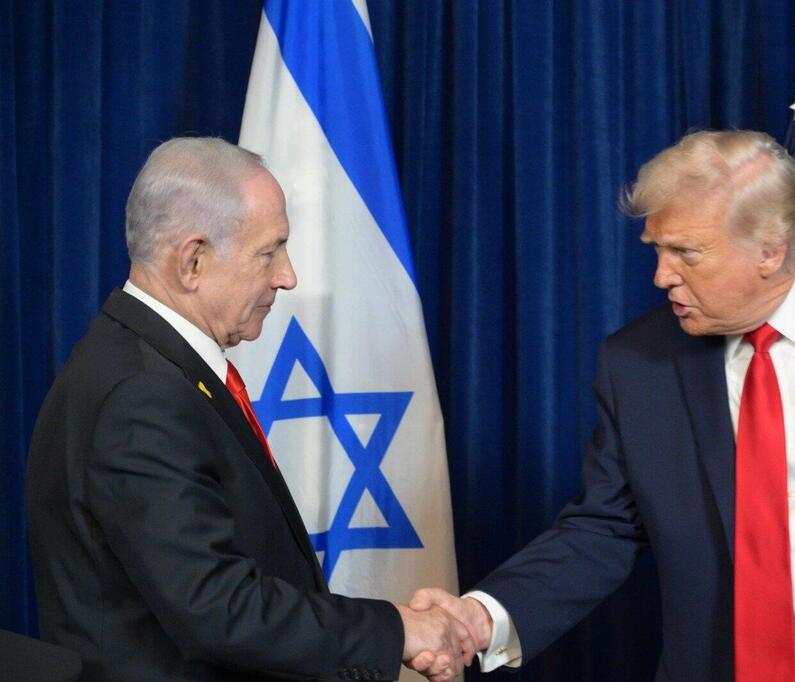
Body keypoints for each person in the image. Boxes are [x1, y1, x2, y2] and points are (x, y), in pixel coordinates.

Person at [410, 130, 795, 681]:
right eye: (656, 249)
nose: (661, 276)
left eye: (686, 252)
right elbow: (604, 527)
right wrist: (482, 618)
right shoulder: (637, 363)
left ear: (771, 250)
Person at [26, 137, 472, 681]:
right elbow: (219, 609)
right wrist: (398, 630)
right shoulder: (141, 396)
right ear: (193, 261)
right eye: (269, 251)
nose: (288, 275)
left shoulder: (147, 368)